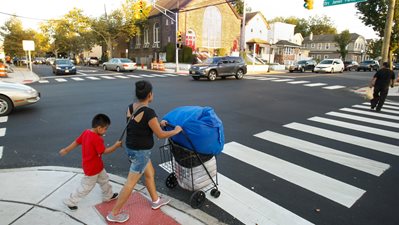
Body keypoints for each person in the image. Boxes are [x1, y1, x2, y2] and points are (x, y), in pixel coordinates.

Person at [106, 80, 182, 223]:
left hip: (131, 147)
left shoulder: (130, 108)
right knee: (130, 183)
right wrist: (175, 130)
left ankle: (155, 200)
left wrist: (158, 124)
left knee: (150, 173)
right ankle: (114, 214)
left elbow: (137, 126)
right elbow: (160, 135)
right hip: (140, 152)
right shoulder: (149, 112)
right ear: (149, 95)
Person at [59, 113, 123, 211]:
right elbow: (104, 151)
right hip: (92, 169)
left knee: (104, 180)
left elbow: (77, 142)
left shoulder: (86, 132)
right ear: (99, 128)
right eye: (105, 128)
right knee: (86, 187)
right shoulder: (97, 139)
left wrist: (66, 150)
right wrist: (115, 146)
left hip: (97, 166)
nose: (106, 130)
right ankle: (71, 201)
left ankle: (108, 195)